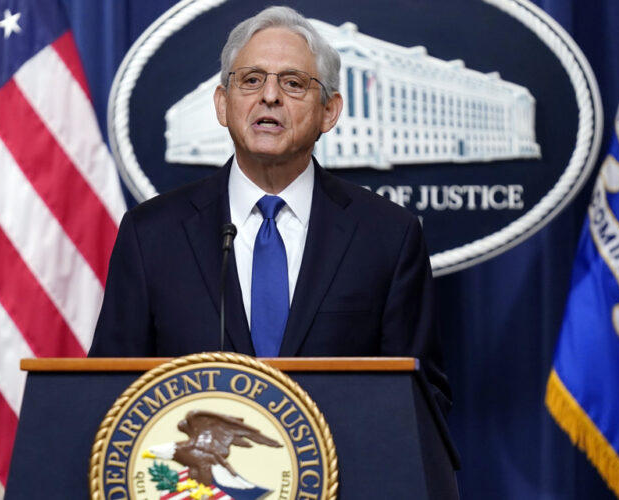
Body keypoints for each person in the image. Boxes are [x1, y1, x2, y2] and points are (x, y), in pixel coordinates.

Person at [89, 6, 450, 411]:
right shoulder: (151, 234)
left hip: (342, 473)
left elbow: (421, 401)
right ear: (223, 104)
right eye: (251, 80)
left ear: (328, 112)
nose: (270, 96)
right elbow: (110, 393)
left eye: (293, 83)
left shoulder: (388, 236)